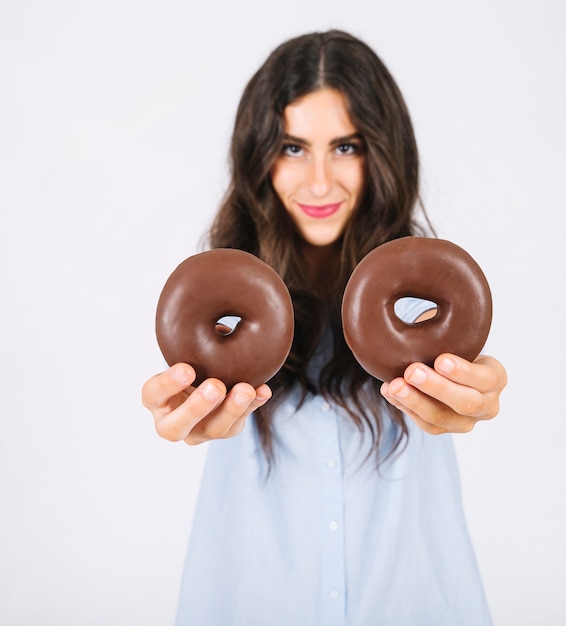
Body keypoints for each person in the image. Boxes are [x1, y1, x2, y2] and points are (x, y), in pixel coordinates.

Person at [142, 30, 507, 626]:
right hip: (253, 603)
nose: (317, 181)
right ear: (258, 153)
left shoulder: (423, 303)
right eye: (292, 147)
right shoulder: (218, 303)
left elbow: (473, 376)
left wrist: (476, 389)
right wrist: (185, 413)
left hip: (413, 604)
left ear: (382, 153)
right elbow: (189, 402)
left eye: (345, 147)